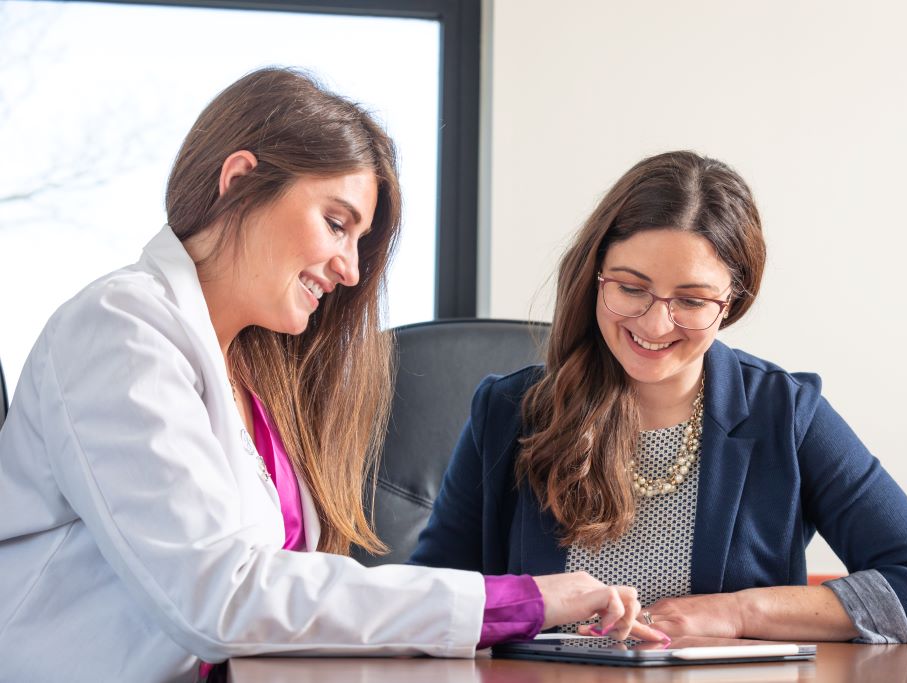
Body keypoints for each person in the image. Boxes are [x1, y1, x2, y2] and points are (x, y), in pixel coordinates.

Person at [0, 68, 651, 683]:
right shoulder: (120, 328)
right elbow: (222, 596)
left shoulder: (249, 372)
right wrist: (517, 600)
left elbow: (284, 598)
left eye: (360, 241)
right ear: (239, 180)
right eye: (337, 223)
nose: (348, 268)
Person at [411, 150, 907, 644]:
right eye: (631, 288)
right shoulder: (509, 412)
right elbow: (428, 602)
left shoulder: (786, 414)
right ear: (594, 277)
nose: (656, 322)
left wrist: (735, 613)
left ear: (731, 302)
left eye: (693, 299)